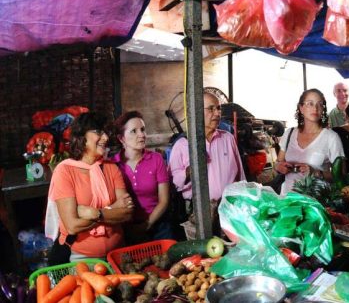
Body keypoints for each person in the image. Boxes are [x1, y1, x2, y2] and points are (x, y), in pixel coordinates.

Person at [46, 112, 134, 263]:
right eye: (99, 132)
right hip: (81, 258)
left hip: (118, 253)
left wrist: (95, 213)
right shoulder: (65, 171)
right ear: (81, 137)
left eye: (106, 133)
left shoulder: (111, 168)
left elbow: (127, 213)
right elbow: (72, 226)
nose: (105, 138)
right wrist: (112, 209)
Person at [168, 92, 245, 233]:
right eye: (211, 109)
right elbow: (174, 183)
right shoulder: (182, 144)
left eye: (218, 108)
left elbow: (241, 176)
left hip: (229, 208)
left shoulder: (227, 138)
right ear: (197, 112)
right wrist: (189, 171)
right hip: (197, 213)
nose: (217, 113)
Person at [112, 111, 171, 243]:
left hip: (158, 225)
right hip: (126, 227)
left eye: (143, 130)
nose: (142, 135)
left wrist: (147, 224)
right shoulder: (113, 165)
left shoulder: (156, 159)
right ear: (121, 138)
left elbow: (164, 200)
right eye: (134, 131)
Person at [275, 88, 344, 194]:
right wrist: (279, 167)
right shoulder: (289, 133)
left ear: (323, 109)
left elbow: (342, 175)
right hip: (287, 200)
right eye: (310, 104)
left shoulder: (331, 138)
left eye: (319, 104)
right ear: (301, 108)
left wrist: (316, 173)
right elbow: (278, 163)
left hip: (316, 202)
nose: (315, 108)